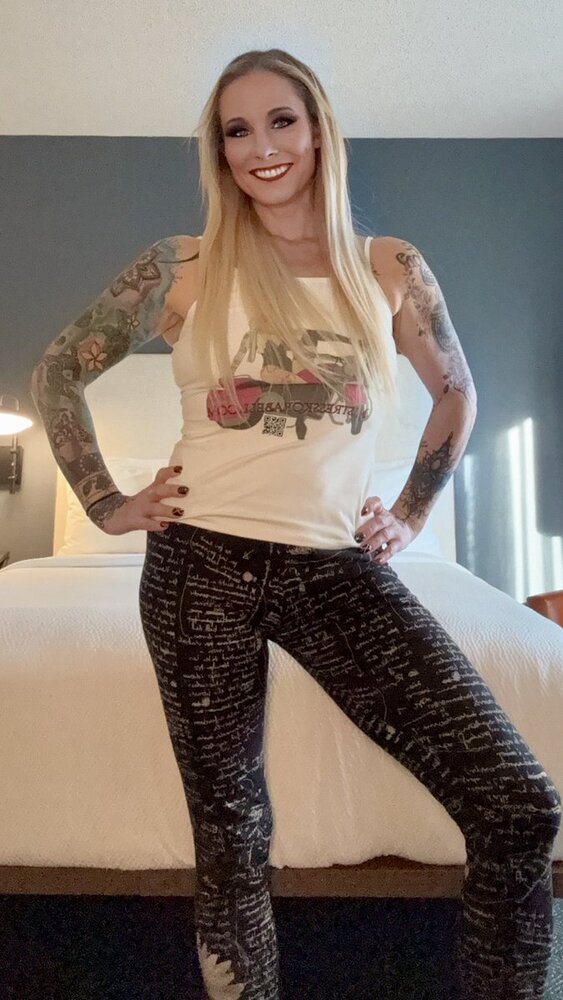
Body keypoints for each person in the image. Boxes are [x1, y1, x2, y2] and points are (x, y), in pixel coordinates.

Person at [30, 47, 560, 1000]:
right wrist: (106, 503)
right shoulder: (181, 266)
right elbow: (58, 370)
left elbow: (456, 392)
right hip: (198, 567)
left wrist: (409, 513)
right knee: (232, 837)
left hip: (332, 567)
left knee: (519, 803)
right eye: (237, 131)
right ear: (219, 152)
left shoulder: (387, 267)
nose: (261, 147)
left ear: (318, 129)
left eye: (281, 120)